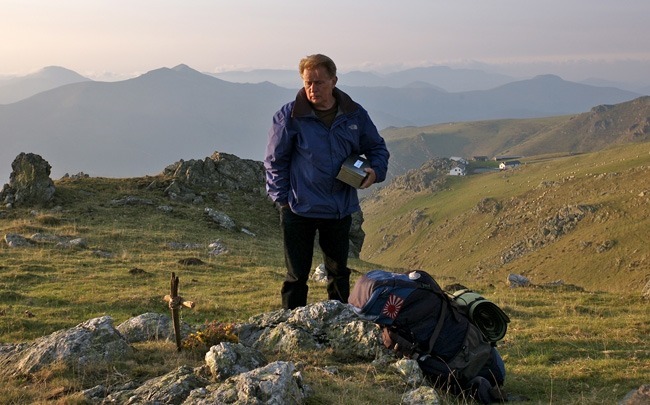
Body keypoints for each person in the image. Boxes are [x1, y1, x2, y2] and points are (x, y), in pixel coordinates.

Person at [264, 54, 390, 309]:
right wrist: (283, 200)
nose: (313, 88)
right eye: (308, 82)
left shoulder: (354, 115)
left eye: (319, 82)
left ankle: (342, 323)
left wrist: (375, 172)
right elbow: (274, 161)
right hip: (299, 209)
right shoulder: (289, 116)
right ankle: (293, 327)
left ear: (333, 81)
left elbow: (377, 147)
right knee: (296, 276)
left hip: (338, 209)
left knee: (339, 274)